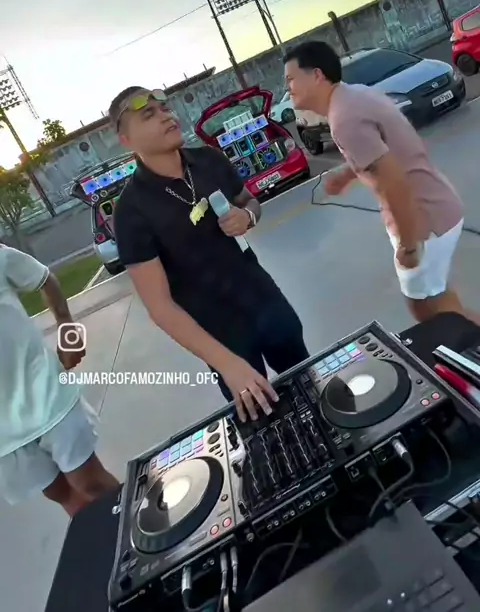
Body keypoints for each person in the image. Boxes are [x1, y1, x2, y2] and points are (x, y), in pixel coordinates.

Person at [109, 86, 309, 421]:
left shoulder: (209, 160)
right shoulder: (131, 211)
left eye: (165, 108)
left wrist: (247, 217)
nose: (166, 116)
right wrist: (228, 365)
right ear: (126, 140)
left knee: (312, 388)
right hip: (222, 336)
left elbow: (250, 202)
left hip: (267, 303)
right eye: (149, 114)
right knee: (266, 425)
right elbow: (160, 308)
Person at [284, 39, 467, 325]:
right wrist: (346, 175)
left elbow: (394, 184)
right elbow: (382, 150)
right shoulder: (354, 95)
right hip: (435, 204)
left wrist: (409, 245)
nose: (288, 89)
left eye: (291, 79)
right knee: (435, 302)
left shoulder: (344, 119)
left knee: (431, 311)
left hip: (424, 219)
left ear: (317, 75)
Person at [0, 244, 119, 514]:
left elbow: (44, 279)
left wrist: (67, 329)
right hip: (5, 435)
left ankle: (143, 529)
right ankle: (106, 539)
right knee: (60, 493)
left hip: (44, 394)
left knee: (90, 483)